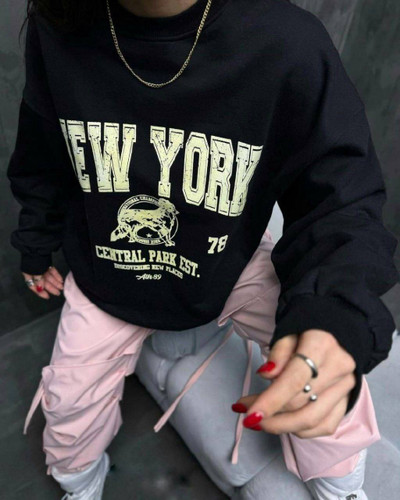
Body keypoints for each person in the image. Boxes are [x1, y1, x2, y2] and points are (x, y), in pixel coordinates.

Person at [7, 0, 399, 499]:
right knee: (67, 410)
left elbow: (342, 198)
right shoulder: (58, 25)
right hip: (105, 272)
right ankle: (80, 486)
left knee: (323, 378)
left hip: (230, 263)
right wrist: (36, 244)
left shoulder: (287, 41)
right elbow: (42, 153)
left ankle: (342, 490)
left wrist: (335, 314)